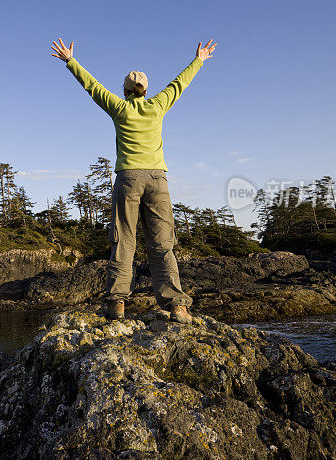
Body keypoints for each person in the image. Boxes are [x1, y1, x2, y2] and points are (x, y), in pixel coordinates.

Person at [51, 37, 216, 322]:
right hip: (157, 179)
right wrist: (199, 59)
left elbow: (93, 87)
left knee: (124, 239)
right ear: (146, 91)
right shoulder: (158, 105)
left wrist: (70, 61)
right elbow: (179, 83)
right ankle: (177, 306)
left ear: (126, 91)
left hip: (128, 178)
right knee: (162, 243)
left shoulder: (119, 108)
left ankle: (116, 304)